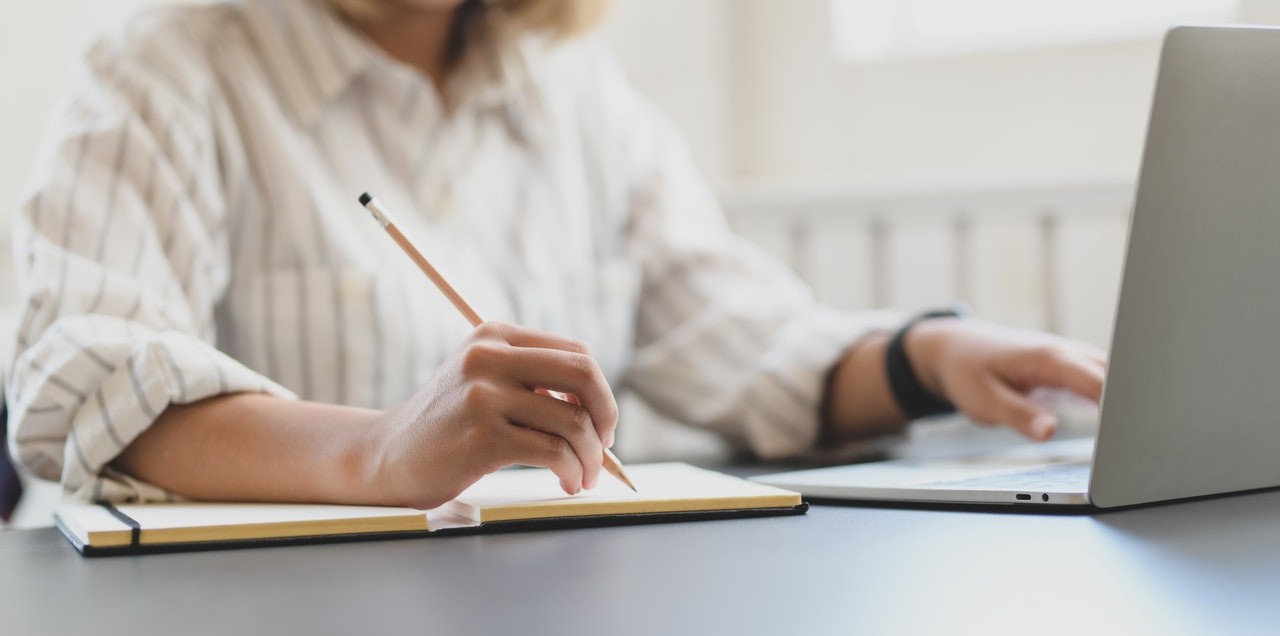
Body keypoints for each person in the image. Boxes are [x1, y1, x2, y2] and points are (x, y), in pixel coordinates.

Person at [4, 0, 1105, 510]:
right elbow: (80, 381)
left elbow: (743, 342)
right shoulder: (161, 69)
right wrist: (380, 451)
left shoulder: (573, 94)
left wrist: (928, 354)